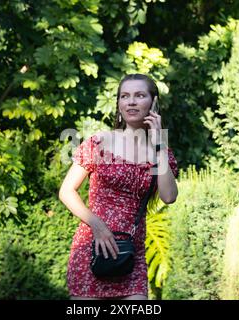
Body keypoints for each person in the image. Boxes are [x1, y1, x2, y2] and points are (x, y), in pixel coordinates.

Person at [59, 73, 179, 300]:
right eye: (125, 96)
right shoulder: (99, 143)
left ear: (153, 103)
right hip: (92, 248)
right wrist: (97, 225)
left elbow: (169, 196)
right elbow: (66, 191)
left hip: (130, 254)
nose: (131, 102)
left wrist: (159, 144)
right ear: (119, 104)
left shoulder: (160, 152)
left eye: (139, 95)